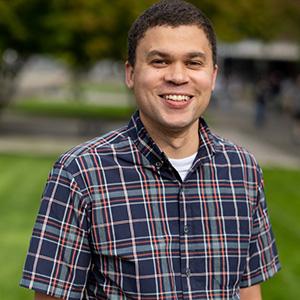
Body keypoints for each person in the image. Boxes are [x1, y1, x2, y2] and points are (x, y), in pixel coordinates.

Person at [20, 1, 280, 299]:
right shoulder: (80, 174)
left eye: (193, 63)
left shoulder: (243, 170)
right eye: (160, 61)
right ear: (130, 73)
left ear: (213, 75)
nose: (177, 76)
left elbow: (248, 292)